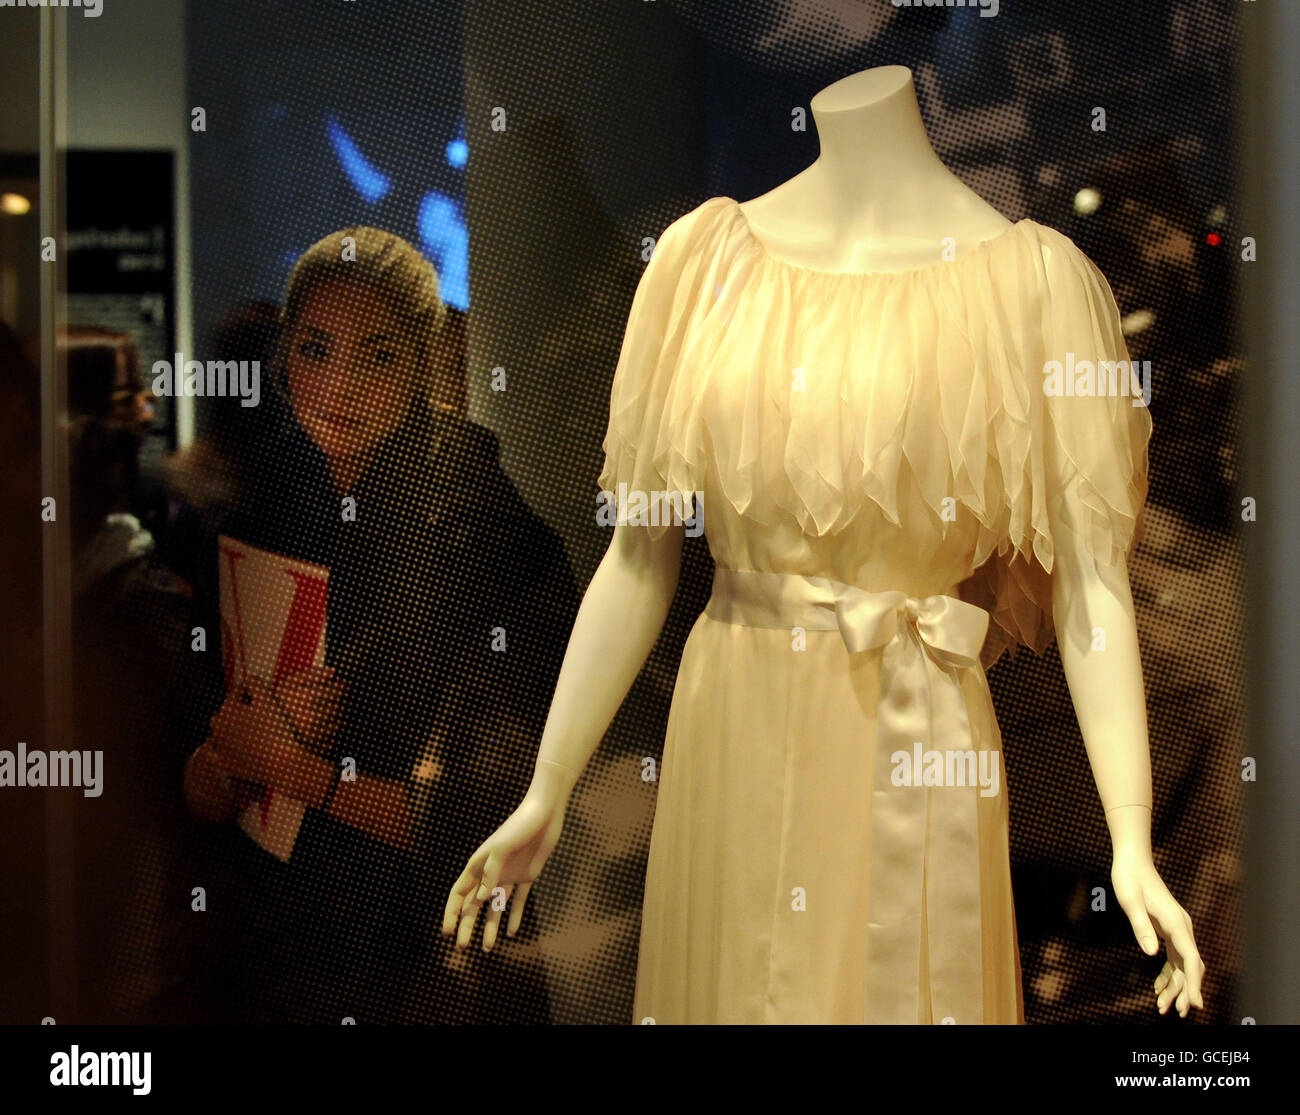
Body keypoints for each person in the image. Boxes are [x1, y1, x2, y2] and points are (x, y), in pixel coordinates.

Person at [179, 226, 577, 1023]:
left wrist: (298, 770)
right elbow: (195, 787)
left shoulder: (489, 531)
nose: (339, 387)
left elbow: (484, 824)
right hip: (277, 957)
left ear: (427, 362)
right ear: (285, 353)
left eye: (379, 356)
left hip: (428, 965)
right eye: (317, 350)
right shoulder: (262, 503)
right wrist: (235, 746)